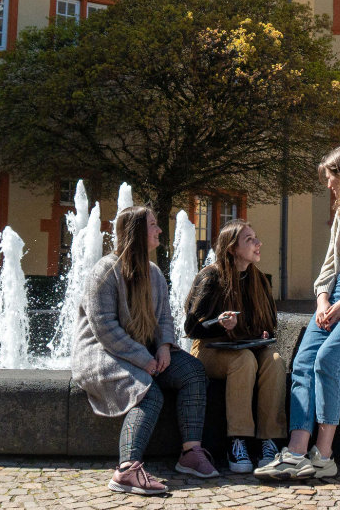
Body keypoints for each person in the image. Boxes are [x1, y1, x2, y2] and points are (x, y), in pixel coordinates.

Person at [254, 146, 340, 481]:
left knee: (328, 360)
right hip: (337, 291)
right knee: (303, 361)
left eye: (332, 180)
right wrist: (321, 300)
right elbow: (331, 264)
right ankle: (297, 452)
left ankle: (324, 455)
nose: (329, 187)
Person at [73, 206, 218, 496]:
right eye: (153, 225)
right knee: (147, 391)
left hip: (148, 352)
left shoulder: (153, 273)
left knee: (192, 371)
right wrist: (145, 361)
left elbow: (164, 318)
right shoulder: (104, 272)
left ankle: (190, 452)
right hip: (102, 354)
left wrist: (164, 348)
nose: (159, 230)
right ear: (136, 232)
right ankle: (127, 470)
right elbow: (105, 329)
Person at [183, 220, 286, 474]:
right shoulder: (211, 277)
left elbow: (270, 323)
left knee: (274, 360)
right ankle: (236, 442)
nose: (258, 243)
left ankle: (268, 442)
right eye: (250, 240)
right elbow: (191, 327)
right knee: (244, 361)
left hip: (245, 347)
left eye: (256, 237)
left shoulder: (260, 279)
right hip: (209, 349)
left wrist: (263, 333)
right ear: (232, 249)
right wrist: (219, 324)